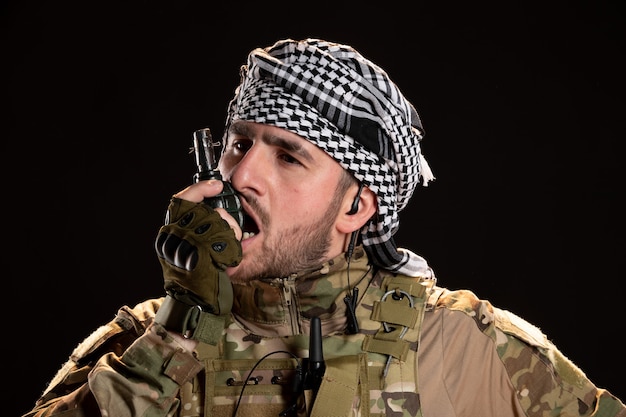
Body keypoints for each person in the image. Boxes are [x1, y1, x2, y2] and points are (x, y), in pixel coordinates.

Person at [23, 38, 625, 417]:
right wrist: (178, 333)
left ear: (356, 208)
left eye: (288, 156)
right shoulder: (143, 342)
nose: (242, 176)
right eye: (238, 144)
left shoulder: (475, 350)